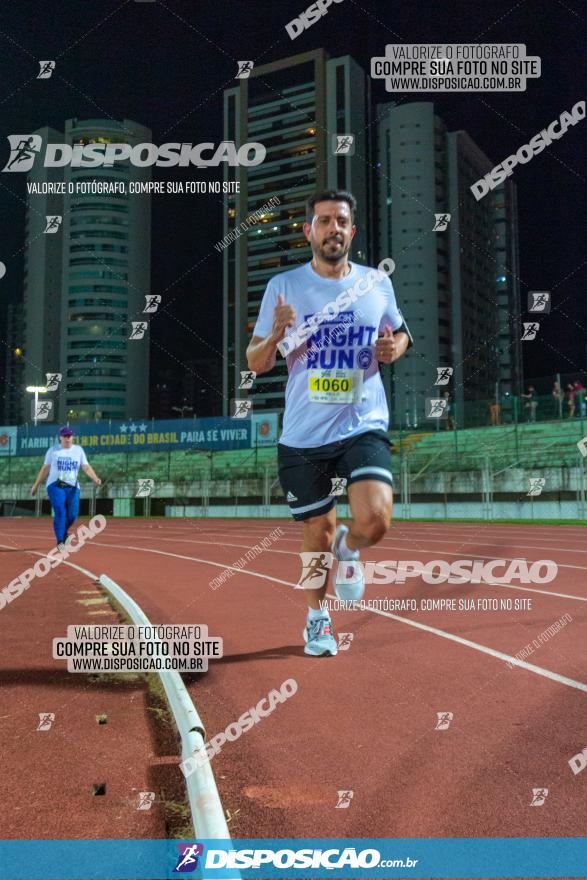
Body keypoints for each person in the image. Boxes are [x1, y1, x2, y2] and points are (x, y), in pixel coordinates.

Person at [247, 189, 412, 657]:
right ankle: (317, 618)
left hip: (362, 422)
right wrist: (277, 334)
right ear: (309, 231)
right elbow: (256, 362)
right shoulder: (283, 286)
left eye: (340, 220)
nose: (332, 228)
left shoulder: (376, 284)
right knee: (314, 533)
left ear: (351, 231)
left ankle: (351, 544)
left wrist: (393, 349)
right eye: (323, 221)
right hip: (302, 435)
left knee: (376, 519)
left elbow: (401, 333)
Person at [31, 426, 102, 550]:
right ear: (60, 437)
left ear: (72, 437)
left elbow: (86, 467)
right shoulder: (53, 451)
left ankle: (63, 532)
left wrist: (95, 478)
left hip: (72, 486)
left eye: (69, 436)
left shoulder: (78, 450)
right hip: (55, 485)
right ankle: (60, 541)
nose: (67, 438)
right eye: (65, 436)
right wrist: (36, 485)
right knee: (60, 511)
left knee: (73, 515)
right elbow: (45, 469)